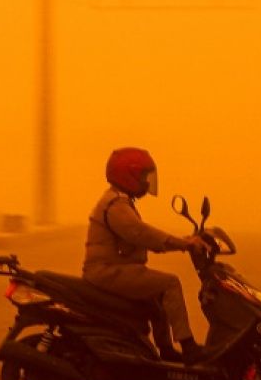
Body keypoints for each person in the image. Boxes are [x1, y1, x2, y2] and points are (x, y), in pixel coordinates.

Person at [82, 147, 209, 364]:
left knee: (156, 300)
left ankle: (166, 350)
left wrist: (184, 240)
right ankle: (188, 347)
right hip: (106, 272)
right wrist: (184, 244)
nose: (147, 182)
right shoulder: (115, 205)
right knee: (170, 284)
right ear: (128, 175)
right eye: (143, 176)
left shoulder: (119, 200)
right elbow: (142, 234)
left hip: (115, 269)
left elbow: (141, 233)